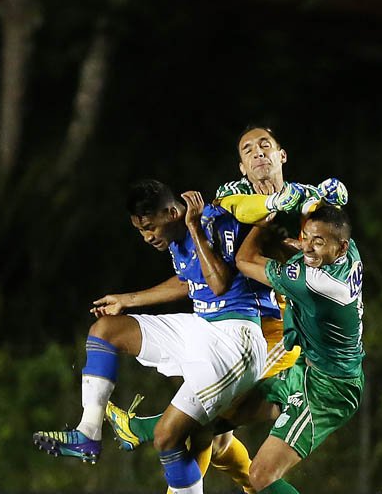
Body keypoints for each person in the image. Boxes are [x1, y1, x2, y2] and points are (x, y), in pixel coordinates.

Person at [103, 125, 348, 493]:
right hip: (234, 328)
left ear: (282, 155)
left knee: (198, 425)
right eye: (248, 150)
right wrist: (129, 299)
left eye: (266, 146)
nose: (258, 153)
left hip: (279, 328)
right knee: (216, 442)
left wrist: (310, 223)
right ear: (241, 167)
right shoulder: (232, 200)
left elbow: (329, 246)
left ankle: (144, 427)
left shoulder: (308, 205)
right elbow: (201, 275)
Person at [32, 179, 298, 494]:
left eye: (149, 228)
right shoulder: (177, 236)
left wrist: (197, 228)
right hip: (204, 327)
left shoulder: (211, 220)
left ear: (171, 213)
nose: (146, 237)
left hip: (239, 340)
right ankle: (88, 432)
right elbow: (189, 282)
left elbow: (219, 284)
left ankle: (138, 429)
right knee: (107, 330)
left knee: (174, 436)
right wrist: (126, 300)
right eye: (140, 230)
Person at [227, 201, 365, 494]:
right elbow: (314, 242)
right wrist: (300, 243)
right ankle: (143, 429)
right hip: (308, 370)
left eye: (319, 242)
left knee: (261, 476)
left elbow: (244, 259)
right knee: (224, 412)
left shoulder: (316, 282)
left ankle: (144, 432)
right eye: (307, 238)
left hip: (328, 390)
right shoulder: (350, 251)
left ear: (339, 248)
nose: (309, 248)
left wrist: (263, 218)